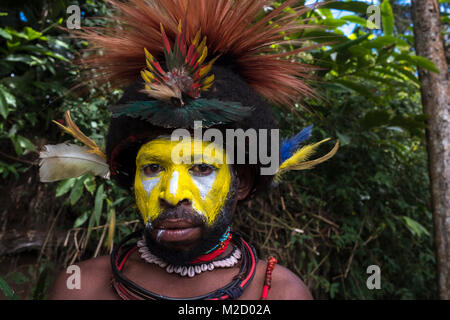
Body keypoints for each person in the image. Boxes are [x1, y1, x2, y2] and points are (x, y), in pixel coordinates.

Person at [40, 0, 338, 300]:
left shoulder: (280, 293)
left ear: (242, 182)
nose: (171, 194)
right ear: (133, 181)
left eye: (201, 168)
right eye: (153, 168)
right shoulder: (80, 288)